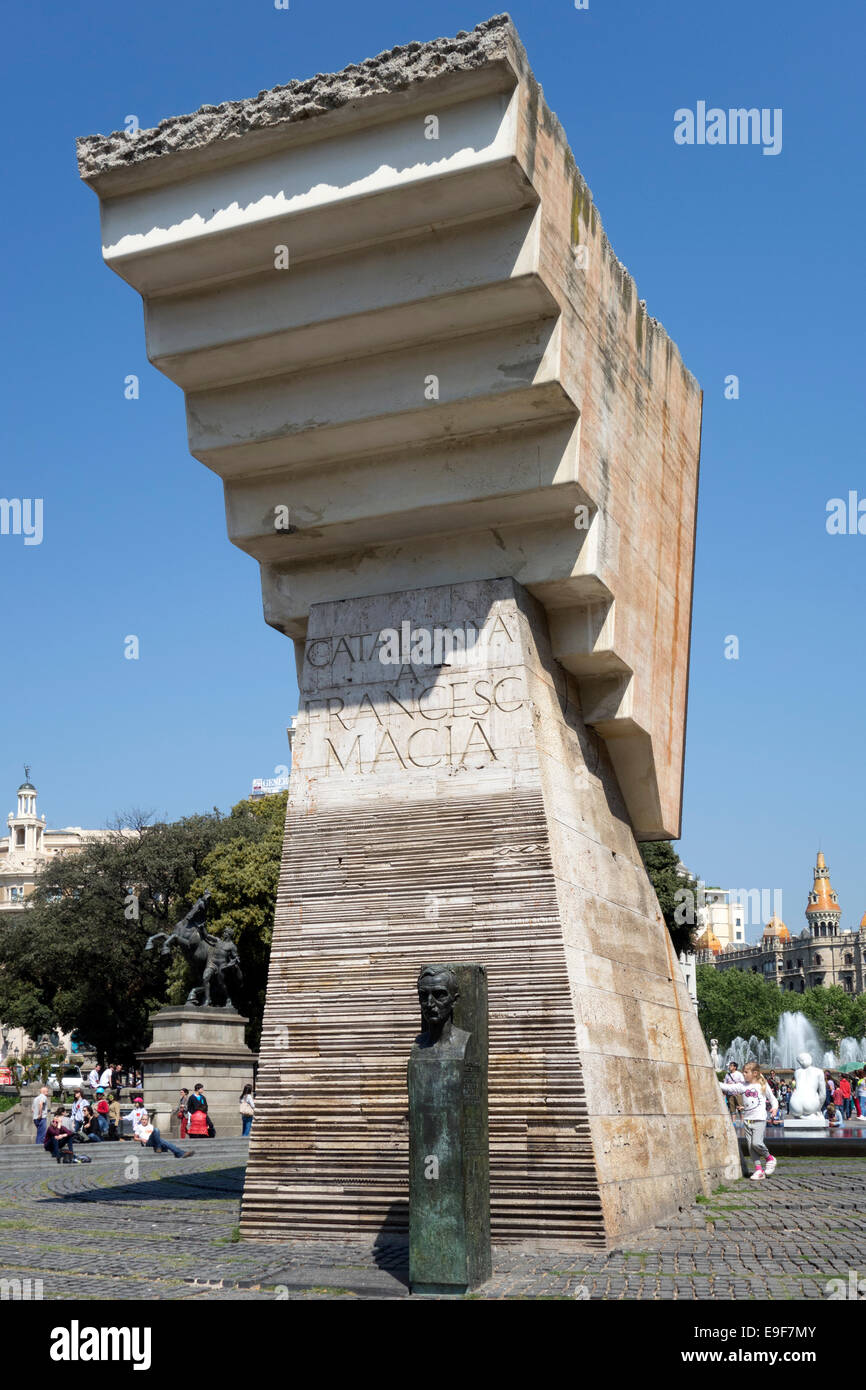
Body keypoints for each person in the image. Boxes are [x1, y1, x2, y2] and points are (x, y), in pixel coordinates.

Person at [721, 1060, 778, 1180]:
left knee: (756, 1143)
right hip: (747, 1121)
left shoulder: (762, 1085)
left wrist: (775, 1108)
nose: (743, 1074)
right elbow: (727, 1087)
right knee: (751, 1148)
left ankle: (769, 1158)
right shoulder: (742, 1085)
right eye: (743, 1072)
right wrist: (713, 1080)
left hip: (759, 1120)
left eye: (746, 1072)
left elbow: (773, 1099)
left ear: (755, 1073)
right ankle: (759, 1170)